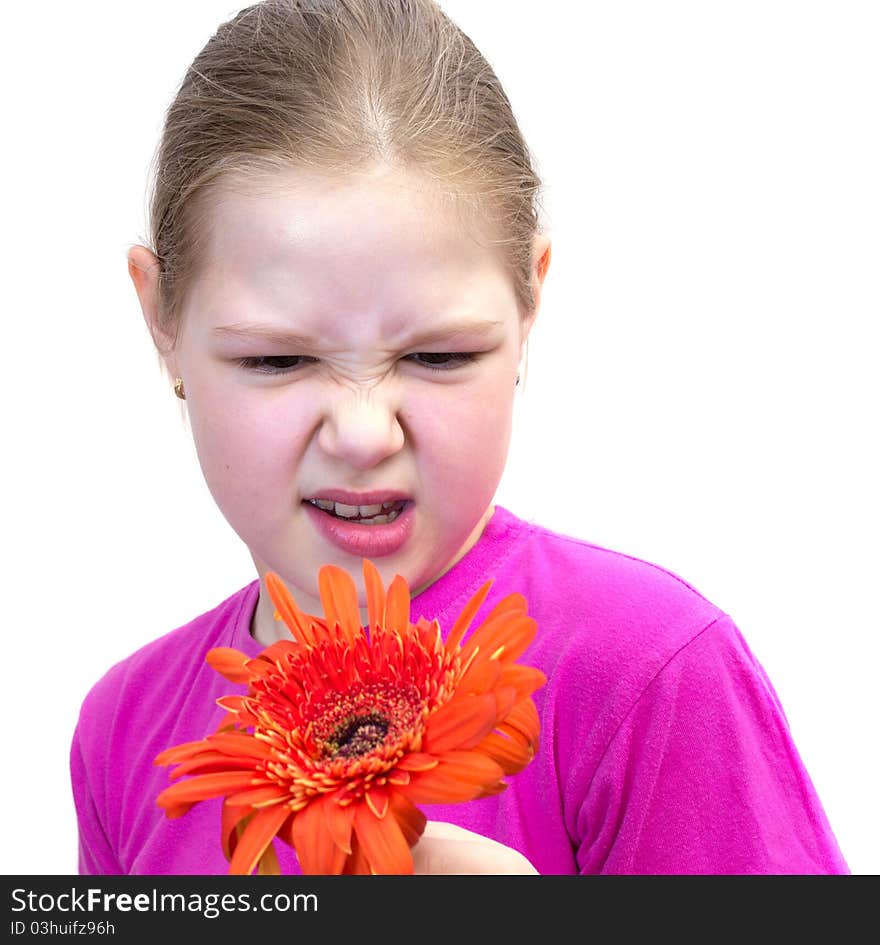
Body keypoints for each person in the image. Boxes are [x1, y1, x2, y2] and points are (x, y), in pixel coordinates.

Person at [70, 0, 848, 875]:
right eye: (278, 359)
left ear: (530, 300)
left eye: (439, 354)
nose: (364, 433)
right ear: (159, 317)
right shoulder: (124, 732)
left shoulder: (652, 674)